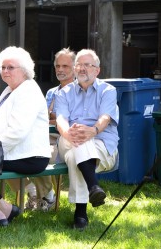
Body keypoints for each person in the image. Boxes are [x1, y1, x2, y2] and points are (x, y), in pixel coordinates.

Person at [0, 46, 51, 227]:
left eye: (10, 67)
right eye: (3, 68)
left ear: (24, 70)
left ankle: (1, 209)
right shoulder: (11, 89)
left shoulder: (28, 90)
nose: (5, 71)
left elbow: (17, 132)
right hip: (14, 153)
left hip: (30, 157)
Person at [55, 48, 119, 230]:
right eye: (79, 65)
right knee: (76, 141)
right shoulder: (64, 93)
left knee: (76, 155)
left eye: (87, 65)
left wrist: (93, 130)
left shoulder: (108, 90)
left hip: (101, 143)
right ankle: (93, 187)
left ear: (97, 70)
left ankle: (80, 214)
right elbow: (60, 119)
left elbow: (105, 117)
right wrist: (68, 133)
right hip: (69, 138)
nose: (82, 68)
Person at [24, 47, 76, 212]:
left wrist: (53, 117)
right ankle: (33, 193)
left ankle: (47, 196)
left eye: (65, 66)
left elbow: (69, 121)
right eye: (57, 66)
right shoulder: (51, 93)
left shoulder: (79, 92)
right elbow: (44, 117)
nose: (60, 70)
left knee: (36, 154)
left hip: (63, 143)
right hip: (43, 138)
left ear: (75, 68)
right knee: (12, 151)